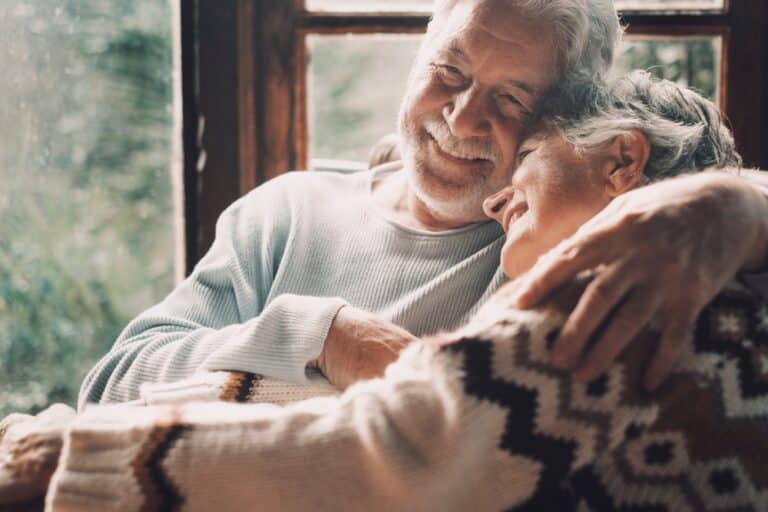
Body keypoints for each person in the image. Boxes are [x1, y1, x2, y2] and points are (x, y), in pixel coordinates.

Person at [32, 72, 766, 511]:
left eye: (529, 151)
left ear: (624, 160)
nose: (493, 199)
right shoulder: (738, 290)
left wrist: (68, 450)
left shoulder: (602, 310)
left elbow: (378, 452)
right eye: (450, 72)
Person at [79, 0, 768, 409]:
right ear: (419, 54)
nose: (462, 117)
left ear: (557, 122)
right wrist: (321, 334)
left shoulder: (547, 243)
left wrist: (732, 204)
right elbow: (109, 387)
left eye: (511, 100)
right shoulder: (286, 211)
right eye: (449, 71)